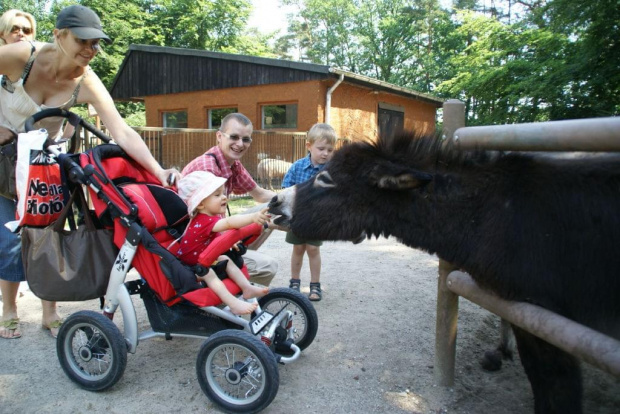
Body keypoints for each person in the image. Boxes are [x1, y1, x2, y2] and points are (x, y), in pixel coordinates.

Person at [0, 5, 180, 339]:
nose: (91, 50)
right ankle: (9, 310)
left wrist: (158, 170)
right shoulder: (21, 56)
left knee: (50, 237)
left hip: (42, 168)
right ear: (58, 35)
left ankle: (49, 312)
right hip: (2, 163)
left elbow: (122, 131)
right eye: (83, 40)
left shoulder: (86, 79)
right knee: (8, 241)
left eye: (97, 43)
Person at [182, 113, 278, 287]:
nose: (240, 144)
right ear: (219, 136)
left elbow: (259, 195)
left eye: (246, 139)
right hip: (199, 245)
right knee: (268, 266)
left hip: (213, 232)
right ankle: (229, 290)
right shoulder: (207, 169)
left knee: (270, 210)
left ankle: (239, 264)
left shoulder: (232, 164)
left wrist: (296, 198)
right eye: (234, 137)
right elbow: (212, 226)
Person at [176, 171, 270, 315]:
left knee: (225, 259)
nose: (224, 197)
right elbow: (228, 223)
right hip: (192, 266)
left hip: (204, 258)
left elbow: (213, 238)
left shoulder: (207, 218)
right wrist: (252, 217)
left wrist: (229, 243)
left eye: (223, 193)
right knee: (210, 275)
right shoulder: (203, 220)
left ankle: (246, 288)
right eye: (217, 195)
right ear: (200, 204)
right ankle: (233, 303)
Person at [281, 123, 336, 301]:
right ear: (309, 146)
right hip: (298, 217)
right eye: (321, 148)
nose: (325, 153)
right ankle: (295, 283)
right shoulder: (298, 167)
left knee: (313, 249)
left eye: (330, 149)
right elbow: (286, 188)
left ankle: (315, 285)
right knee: (298, 248)